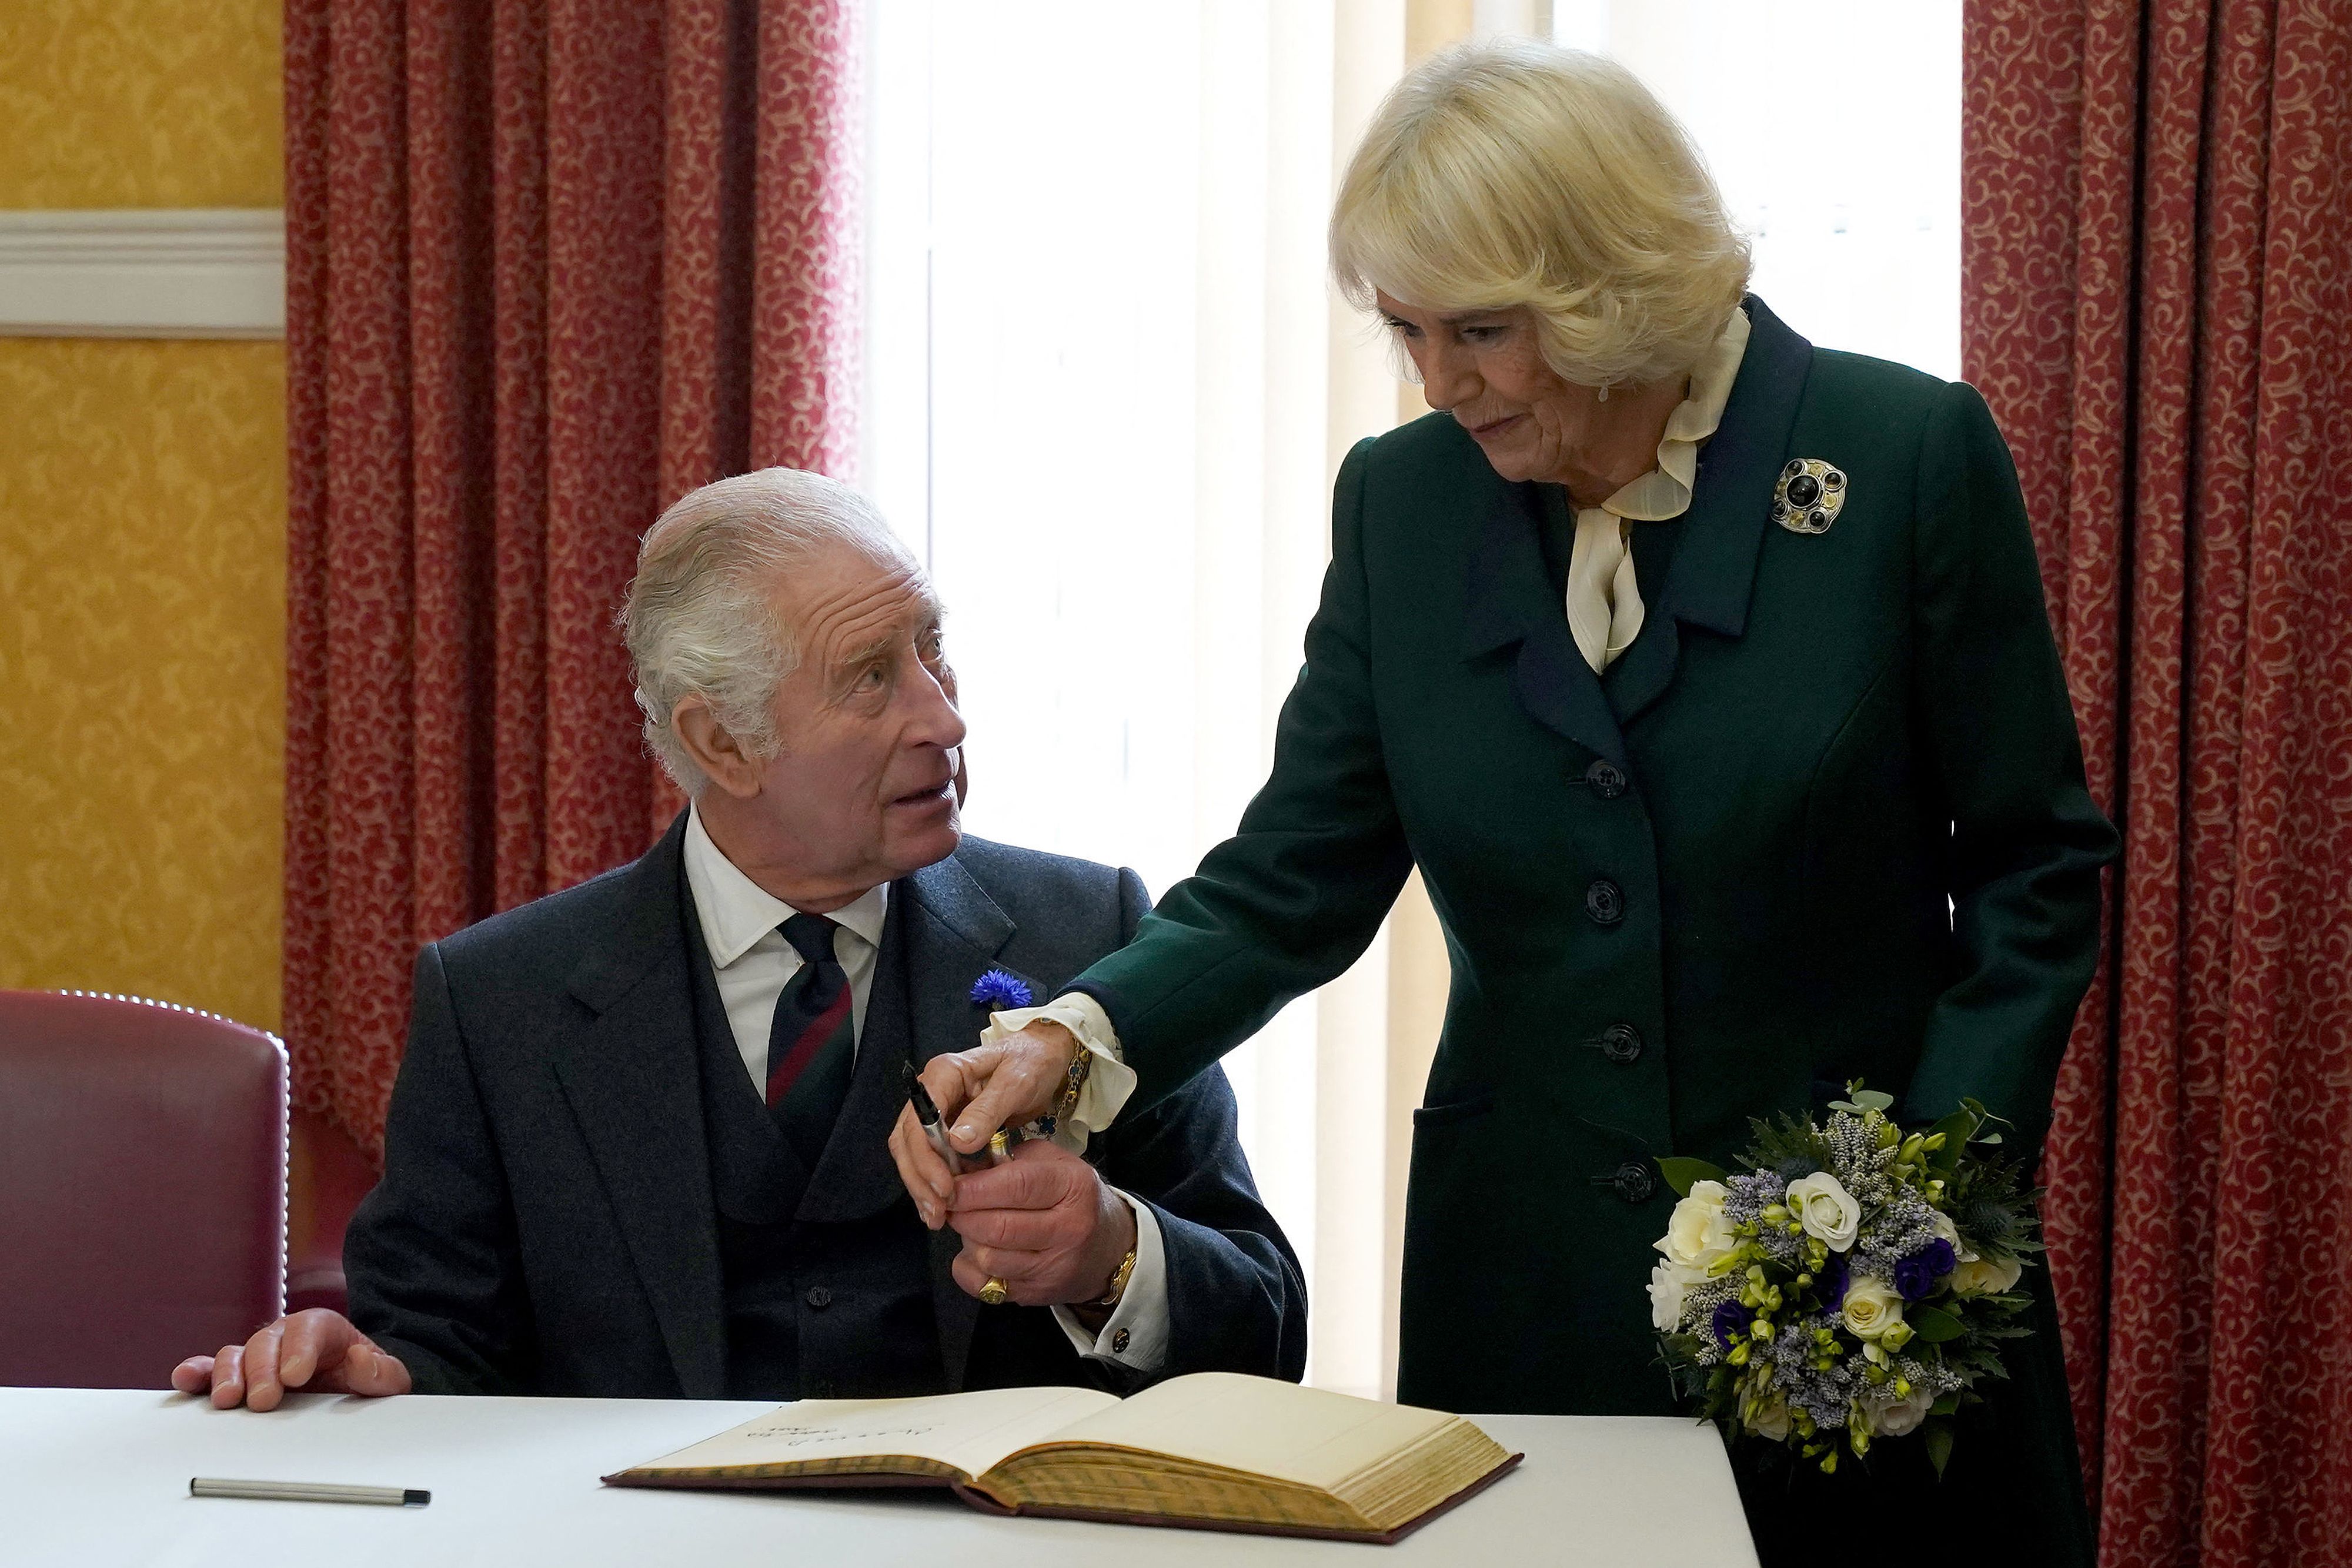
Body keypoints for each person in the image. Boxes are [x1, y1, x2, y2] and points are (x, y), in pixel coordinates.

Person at [890, 41, 2116, 1567]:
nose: (1437, 379)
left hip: (1865, 1290)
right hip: (1529, 1287)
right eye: (1408, 330)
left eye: (1483, 331)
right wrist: (1073, 1034)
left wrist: (1925, 1201)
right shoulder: (1407, 500)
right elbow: (1297, 871)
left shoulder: (1904, 458)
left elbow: (2035, 873)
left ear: (1619, 288)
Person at [174, 469, 1304, 1410]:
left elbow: (1271, 1333)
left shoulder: (1094, 938)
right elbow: (439, 1356)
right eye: (872, 677)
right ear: (725, 744)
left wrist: (1111, 1255)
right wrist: (363, 1381)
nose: (945, 718)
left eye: (932, 651)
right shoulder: (497, 1002)